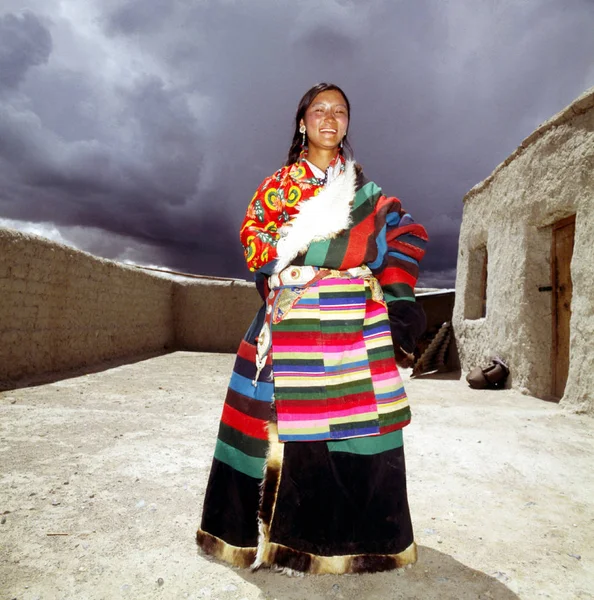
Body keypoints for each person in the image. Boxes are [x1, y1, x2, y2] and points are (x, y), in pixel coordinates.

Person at [196, 83, 428, 575]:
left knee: (359, 428)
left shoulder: (368, 195)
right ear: (303, 122)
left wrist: (400, 307)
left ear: (347, 124)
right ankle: (271, 540)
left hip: (355, 330)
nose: (330, 117)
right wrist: (314, 263)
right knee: (273, 429)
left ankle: (352, 545)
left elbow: (405, 235)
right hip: (291, 319)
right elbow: (257, 243)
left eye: (340, 111)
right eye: (319, 109)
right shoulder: (276, 188)